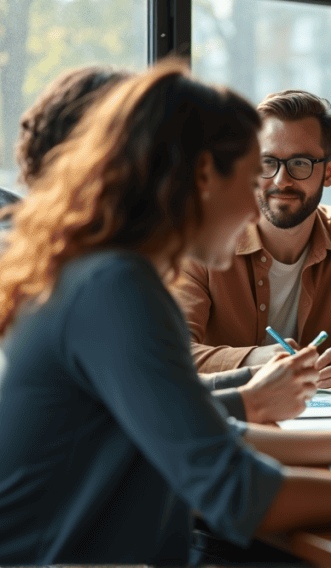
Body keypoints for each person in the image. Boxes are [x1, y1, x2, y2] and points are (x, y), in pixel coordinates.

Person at [0, 63, 331, 565]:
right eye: (254, 174)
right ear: (204, 175)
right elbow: (236, 492)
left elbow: (196, 422)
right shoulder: (117, 287)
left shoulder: (95, 272)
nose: (260, 206)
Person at [10, 65, 310, 424]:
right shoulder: (111, 283)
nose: (254, 208)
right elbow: (191, 444)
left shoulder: (86, 266)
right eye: (250, 180)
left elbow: (157, 407)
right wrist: (252, 402)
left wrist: (249, 388)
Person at [172, 89, 331, 389]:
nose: (282, 180)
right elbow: (174, 351)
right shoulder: (204, 235)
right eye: (268, 162)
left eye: (300, 163)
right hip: (228, 412)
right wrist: (254, 359)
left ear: (329, 172)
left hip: (319, 412)